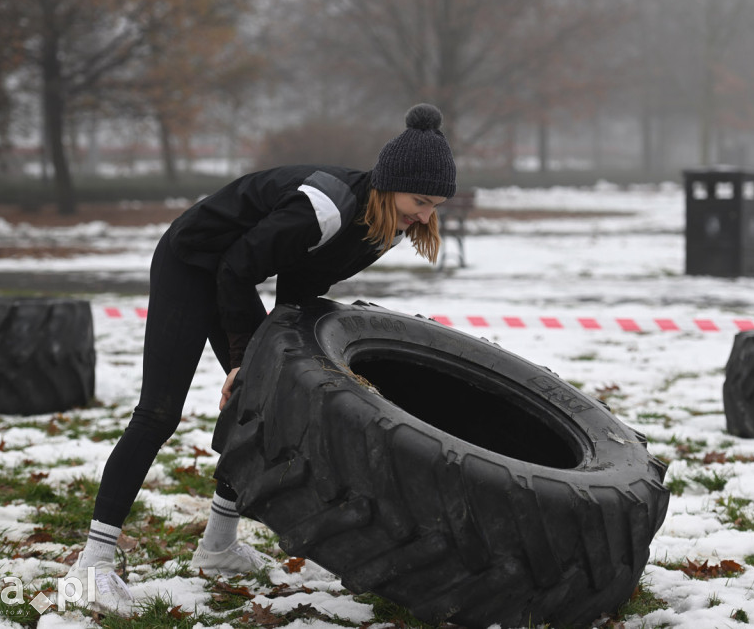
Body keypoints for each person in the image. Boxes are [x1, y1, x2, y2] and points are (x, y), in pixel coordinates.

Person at [60, 103, 457, 614]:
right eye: (420, 201)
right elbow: (235, 268)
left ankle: (218, 547)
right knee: (159, 413)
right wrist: (241, 358)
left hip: (232, 271)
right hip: (192, 261)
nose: (425, 215)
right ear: (389, 184)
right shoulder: (325, 208)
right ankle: (92, 564)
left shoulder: (388, 224)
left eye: (435, 205)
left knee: (261, 402)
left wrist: (275, 362)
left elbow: (301, 281)